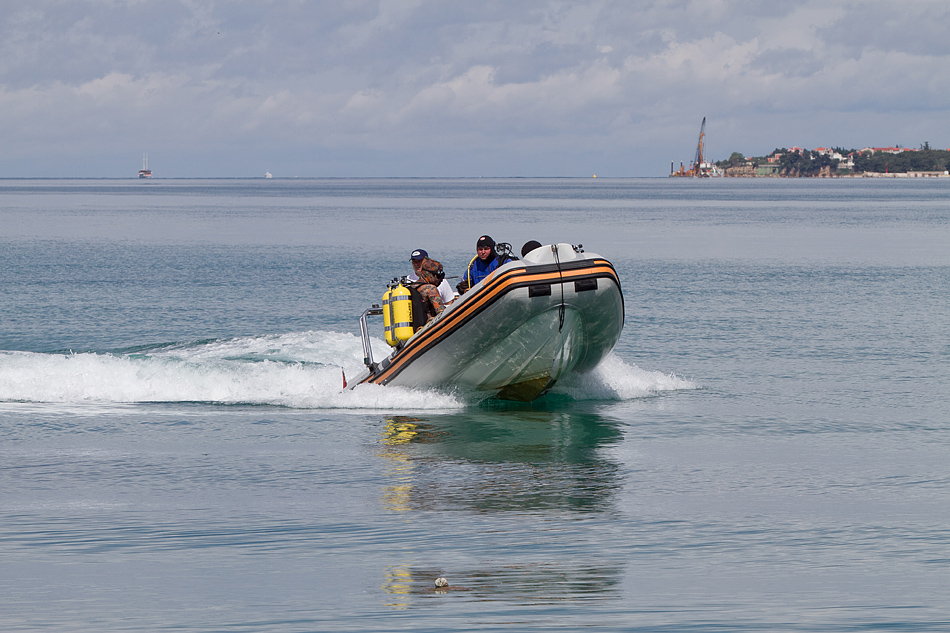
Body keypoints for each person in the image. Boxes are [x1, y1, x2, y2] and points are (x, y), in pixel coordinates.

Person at [408, 255, 446, 322]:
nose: (440, 279)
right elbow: (442, 313)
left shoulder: (412, 287)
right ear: (428, 274)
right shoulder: (430, 289)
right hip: (427, 325)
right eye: (438, 275)